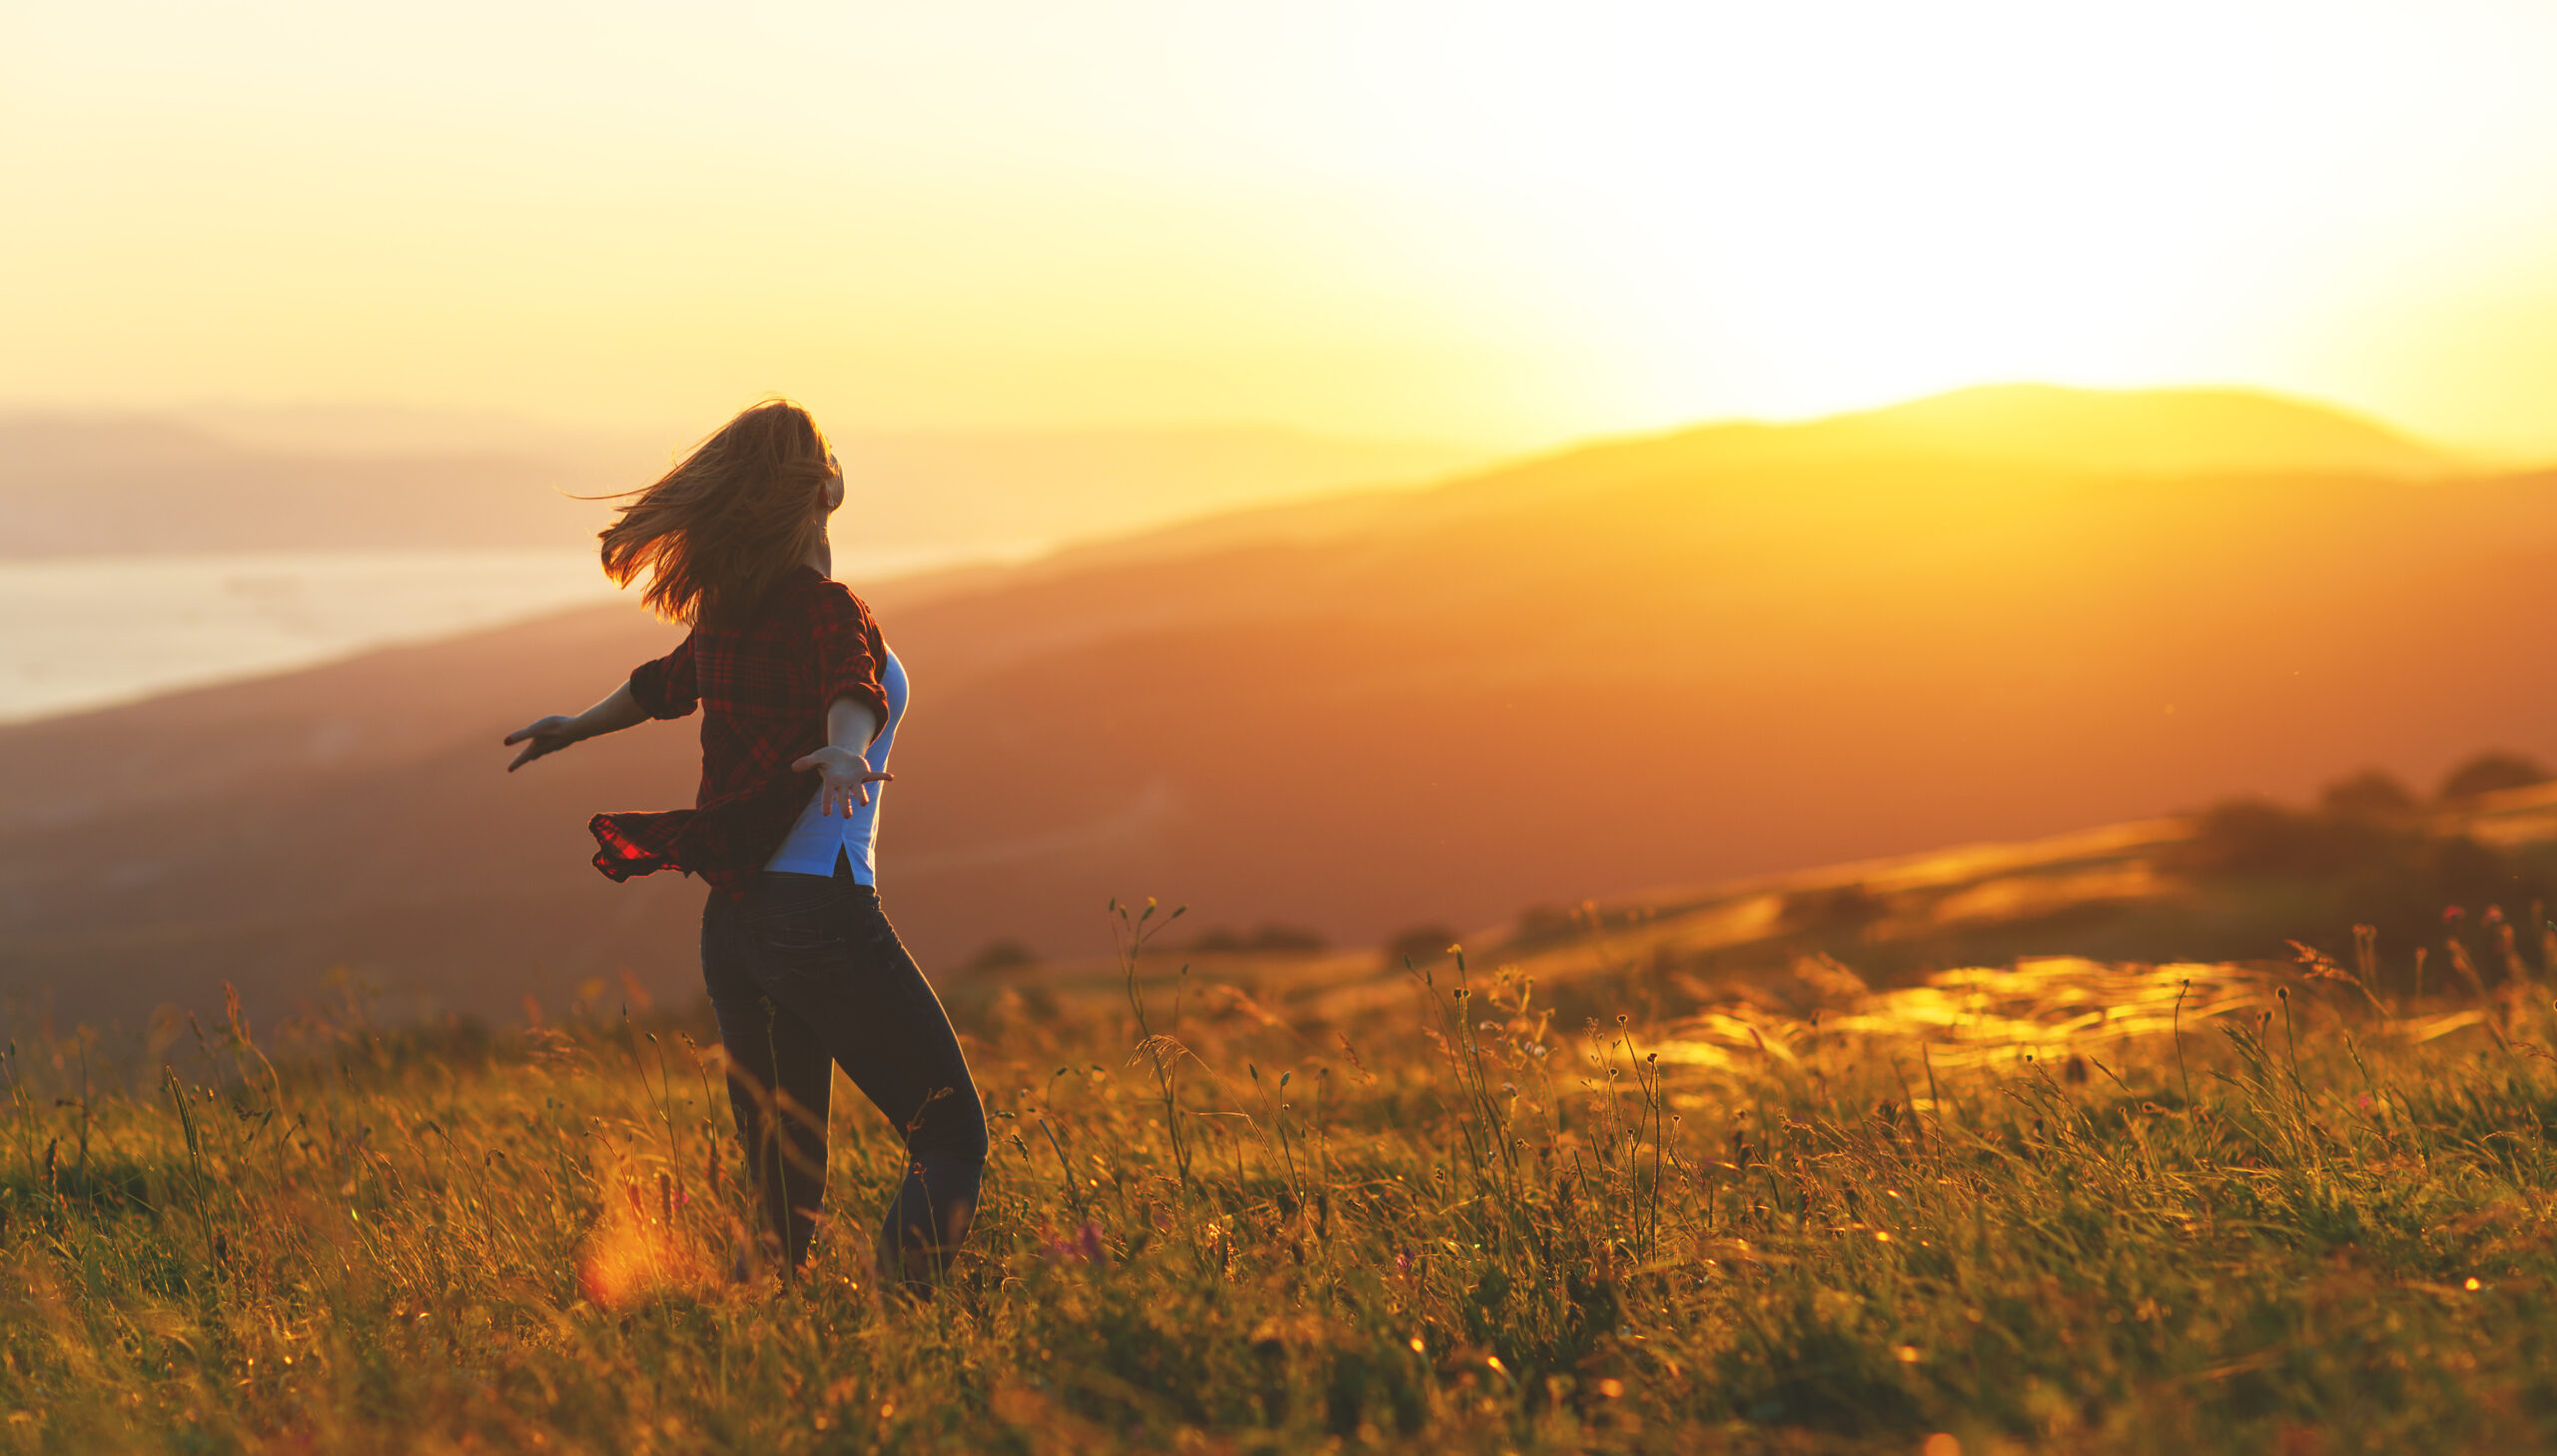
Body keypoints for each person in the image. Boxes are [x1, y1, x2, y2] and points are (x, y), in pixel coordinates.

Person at [500, 399, 985, 1291]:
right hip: (819, 915)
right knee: (949, 1138)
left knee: (781, 1192)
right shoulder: (826, 608)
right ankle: (899, 1335)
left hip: (737, 929)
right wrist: (845, 742)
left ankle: (759, 1360)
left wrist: (574, 727)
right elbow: (852, 678)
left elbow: (658, 689)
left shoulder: (735, 615)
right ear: (820, 489)